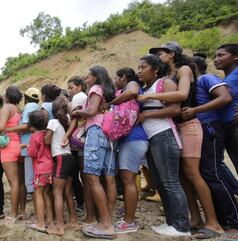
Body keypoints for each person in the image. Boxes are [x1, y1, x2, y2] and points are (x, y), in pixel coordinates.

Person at [144, 42, 223, 236]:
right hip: (176, 126)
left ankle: (213, 223)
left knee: (192, 173)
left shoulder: (184, 69)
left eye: (160, 53)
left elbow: (182, 94)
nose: (158, 56)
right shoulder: (167, 76)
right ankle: (194, 218)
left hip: (189, 126)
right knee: (181, 176)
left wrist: (147, 97)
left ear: (172, 54)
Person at [136, 54, 190, 236]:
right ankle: (171, 223)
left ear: (156, 69)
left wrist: (146, 115)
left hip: (164, 135)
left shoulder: (164, 83)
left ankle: (182, 227)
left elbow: (175, 109)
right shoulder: (146, 88)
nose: (139, 71)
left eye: (143, 67)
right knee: (159, 182)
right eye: (138, 68)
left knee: (170, 182)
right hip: (152, 138)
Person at [184, 52, 238, 233]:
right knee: (207, 174)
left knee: (213, 173)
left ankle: (233, 220)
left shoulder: (206, 78)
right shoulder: (196, 85)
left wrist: (195, 110)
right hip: (203, 129)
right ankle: (223, 218)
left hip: (210, 127)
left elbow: (225, 97)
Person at [70, 66, 116, 239]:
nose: (86, 79)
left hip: (95, 132)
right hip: (106, 133)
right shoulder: (107, 91)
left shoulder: (96, 89)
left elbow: (91, 112)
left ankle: (105, 224)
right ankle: (106, 220)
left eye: (88, 76)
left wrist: (76, 111)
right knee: (104, 177)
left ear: (96, 77)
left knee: (91, 177)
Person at [110, 68, 148, 233]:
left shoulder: (132, 84)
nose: (115, 80)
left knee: (128, 180)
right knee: (128, 179)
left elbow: (132, 91)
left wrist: (111, 102)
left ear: (123, 77)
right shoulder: (124, 91)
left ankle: (129, 222)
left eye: (117, 78)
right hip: (131, 139)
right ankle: (128, 215)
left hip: (133, 139)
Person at [45, 95, 78, 235]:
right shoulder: (67, 121)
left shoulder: (52, 122)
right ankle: (73, 221)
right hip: (70, 158)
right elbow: (74, 122)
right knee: (68, 192)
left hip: (60, 159)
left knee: (57, 192)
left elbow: (47, 141)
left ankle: (59, 227)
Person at [5, 87, 41, 218]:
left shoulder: (30, 106)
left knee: (30, 183)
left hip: (29, 148)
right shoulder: (36, 106)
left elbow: (26, 126)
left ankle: (39, 217)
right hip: (31, 148)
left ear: (26, 98)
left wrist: (7, 129)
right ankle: (32, 213)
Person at [0, 86, 22, 219]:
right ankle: (19, 211)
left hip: (8, 148)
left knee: (13, 183)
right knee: (19, 183)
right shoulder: (19, 109)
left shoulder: (7, 108)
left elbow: (1, 127)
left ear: (6, 97)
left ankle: (13, 214)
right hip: (19, 145)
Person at [26, 110, 55, 234]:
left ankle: (40, 223)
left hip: (40, 169)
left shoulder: (34, 136)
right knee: (47, 194)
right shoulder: (46, 134)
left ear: (31, 124)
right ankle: (49, 221)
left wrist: (27, 148)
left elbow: (32, 153)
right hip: (50, 167)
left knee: (38, 194)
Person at [215, 44, 238, 173]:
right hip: (229, 128)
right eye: (215, 56)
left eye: (221, 55)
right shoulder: (228, 77)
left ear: (235, 57)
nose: (216, 59)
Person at [66, 76, 86, 215]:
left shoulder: (79, 97)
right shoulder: (84, 96)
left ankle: (82, 204)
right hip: (83, 139)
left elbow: (74, 120)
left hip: (78, 141)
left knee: (77, 175)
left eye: (71, 87)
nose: (69, 91)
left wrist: (66, 136)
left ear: (80, 87)